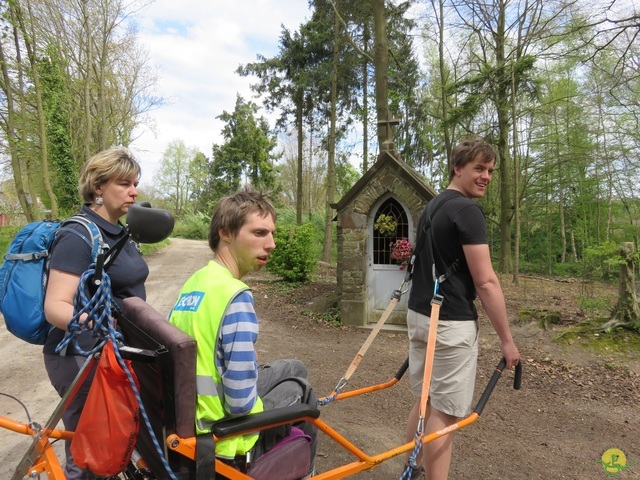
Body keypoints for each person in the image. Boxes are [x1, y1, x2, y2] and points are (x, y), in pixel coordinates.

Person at [168, 189, 318, 477]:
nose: (271, 244)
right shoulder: (236, 297)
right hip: (222, 430)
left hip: (195, 400)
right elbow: (239, 405)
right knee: (300, 390)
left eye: (271, 234)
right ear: (226, 232)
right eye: (260, 233)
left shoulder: (197, 281)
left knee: (293, 367)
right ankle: (301, 470)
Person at [403, 138, 520, 480]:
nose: (486, 176)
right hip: (450, 322)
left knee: (424, 401)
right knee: (444, 412)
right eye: (479, 168)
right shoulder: (467, 211)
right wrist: (507, 340)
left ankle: (411, 469)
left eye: (490, 171)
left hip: (420, 316)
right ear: (458, 168)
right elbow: (486, 282)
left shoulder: (433, 206)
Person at [43, 146, 149, 479]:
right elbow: (56, 307)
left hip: (113, 355)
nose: (133, 191)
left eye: (135, 183)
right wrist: (102, 323)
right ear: (98, 187)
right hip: (81, 356)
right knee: (91, 455)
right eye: (124, 183)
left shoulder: (121, 232)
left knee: (112, 447)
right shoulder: (78, 234)